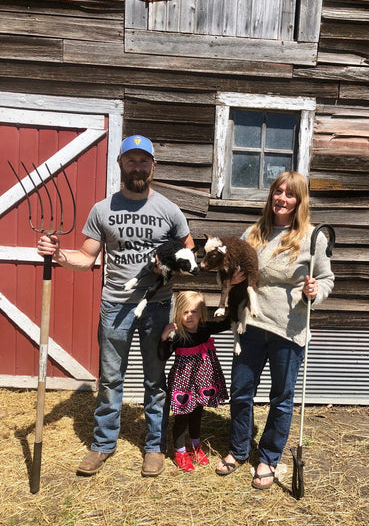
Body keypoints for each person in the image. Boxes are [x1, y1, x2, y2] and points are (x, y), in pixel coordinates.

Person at [37, 135, 195, 477]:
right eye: (130, 160)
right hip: (115, 305)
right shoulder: (103, 210)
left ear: (153, 166)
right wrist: (59, 255)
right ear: (121, 164)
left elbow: (189, 253)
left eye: (143, 161)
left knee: (155, 379)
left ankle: (154, 447)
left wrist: (167, 266)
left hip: (156, 305)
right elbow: (86, 256)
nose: (137, 166)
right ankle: (103, 444)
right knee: (110, 379)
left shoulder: (169, 210)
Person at [215, 171, 334, 490]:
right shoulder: (254, 232)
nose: (281, 198)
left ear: (299, 201)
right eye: (277, 191)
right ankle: (239, 449)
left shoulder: (312, 236)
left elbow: (326, 278)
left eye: (289, 194)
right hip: (251, 324)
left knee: (281, 397)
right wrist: (230, 277)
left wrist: (314, 292)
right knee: (241, 391)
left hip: (289, 329)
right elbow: (231, 270)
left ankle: (268, 457)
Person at [158, 291, 230, 472]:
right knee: (182, 416)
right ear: (178, 313)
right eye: (185, 312)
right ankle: (180, 452)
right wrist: (164, 337)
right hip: (183, 382)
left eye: (194, 312)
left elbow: (227, 323)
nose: (189, 316)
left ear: (201, 313)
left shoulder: (205, 329)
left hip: (203, 380)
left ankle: (195, 447)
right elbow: (162, 356)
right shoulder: (177, 336)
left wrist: (236, 300)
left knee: (197, 413)